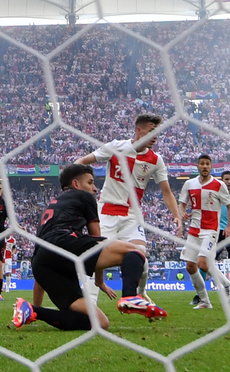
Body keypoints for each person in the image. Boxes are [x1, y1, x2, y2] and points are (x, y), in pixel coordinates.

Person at [12, 164, 167, 331]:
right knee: (135, 251)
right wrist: (100, 281)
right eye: (91, 182)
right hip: (65, 243)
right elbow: (96, 239)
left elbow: (44, 262)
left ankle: (33, 311)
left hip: (42, 262)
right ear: (76, 184)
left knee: (100, 322)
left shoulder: (52, 206)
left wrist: (37, 305)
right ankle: (130, 296)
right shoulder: (84, 197)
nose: (95, 188)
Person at [74, 114, 183, 305]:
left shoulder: (156, 160)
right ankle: (89, 307)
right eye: (152, 130)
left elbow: (166, 191)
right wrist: (77, 183)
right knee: (96, 258)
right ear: (139, 130)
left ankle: (139, 294)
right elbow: (82, 161)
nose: (156, 135)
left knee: (141, 256)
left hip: (132, 216)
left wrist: (176, 215)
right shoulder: (116, 147)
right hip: (106, 213)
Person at [179, 154, 230, 309]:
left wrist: (229, 226)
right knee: (190, 266)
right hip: (194, 230)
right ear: (197, 166)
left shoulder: (218, 185)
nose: (205, 166)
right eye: (202, 163)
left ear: (211, 167)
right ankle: (205, 301)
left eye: (207, 164)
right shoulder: (189, 184)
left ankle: (228, 285)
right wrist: (182, 213)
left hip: (210, 230)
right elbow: (181, 204)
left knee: (202, 263)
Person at [190, 170, 230, 306]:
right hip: (215, 232)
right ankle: (199, 295)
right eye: (226, 179)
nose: (228, 182)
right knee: (204, 262)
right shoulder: (213, 196)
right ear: (221, 181)